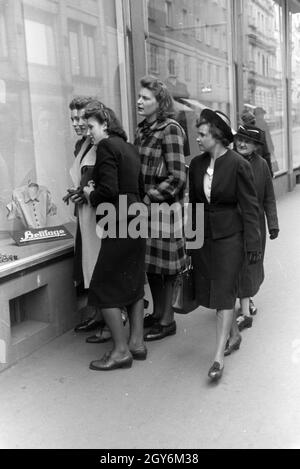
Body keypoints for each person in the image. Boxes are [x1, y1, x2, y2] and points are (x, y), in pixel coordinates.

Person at [189, 109, 261, 381]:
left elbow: (251, 207)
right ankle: (234, 334)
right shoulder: (196, 166)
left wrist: (253, 244)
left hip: (231, 238)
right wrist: (192, 240)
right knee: (212, 290)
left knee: (223, 294)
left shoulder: (237, 164)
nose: (197, 138)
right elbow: (194, 207)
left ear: (217, 136)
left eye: (202, 134)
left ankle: (218, 357)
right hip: (205, 240)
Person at [82, 102, 146, 370]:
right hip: (136, 218)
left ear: (105, 124)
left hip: (117, 219)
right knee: (133, 282)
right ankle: (136, 343)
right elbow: (140, 187)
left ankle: (120, 351)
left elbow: (108, 191)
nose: (89, 133)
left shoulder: (106, 147)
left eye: (91, 127)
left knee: (103, 287)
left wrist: (89, 194)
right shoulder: (129, 147)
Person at [134, 76, 187, 341]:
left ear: (160, 102)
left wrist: (149, 198)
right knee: (152, 266)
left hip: (164, 209)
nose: (139, 101)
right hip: (146, 209)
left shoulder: (171, 129)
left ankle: (168, 320)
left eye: (145, 98)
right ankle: (156, 314)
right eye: (139, 97)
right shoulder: (142, 129)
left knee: (166, 269)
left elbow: (177, 176)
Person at [65, 96, 105, 335]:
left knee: (99, 265)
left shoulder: (102, 144)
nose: (76, 123)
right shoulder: (81, 145)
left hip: (99, 214)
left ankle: (111, 320)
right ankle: (98, 315)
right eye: (72, 118)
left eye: (80, 118)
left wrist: (85, 192)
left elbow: (105, 181)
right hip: (85, 214)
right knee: (89, 264)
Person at [234, 124, 279, 330]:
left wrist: (273, 225)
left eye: (248, 141)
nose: (242, 143)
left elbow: (269, 198)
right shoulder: (229, 161)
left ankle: (247, 297)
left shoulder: (262, 166)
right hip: (233, 222)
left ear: (255, 146)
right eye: (240, 139)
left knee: (251, 264)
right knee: (237, 262)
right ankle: (241, 300)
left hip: (255, 225)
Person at [240, 109, 273, 177]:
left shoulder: (240, 136)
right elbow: (266, 155)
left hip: (245, 172)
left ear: (243, 122)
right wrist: (270, 172)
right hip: (258, 170)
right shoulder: (260, 133)